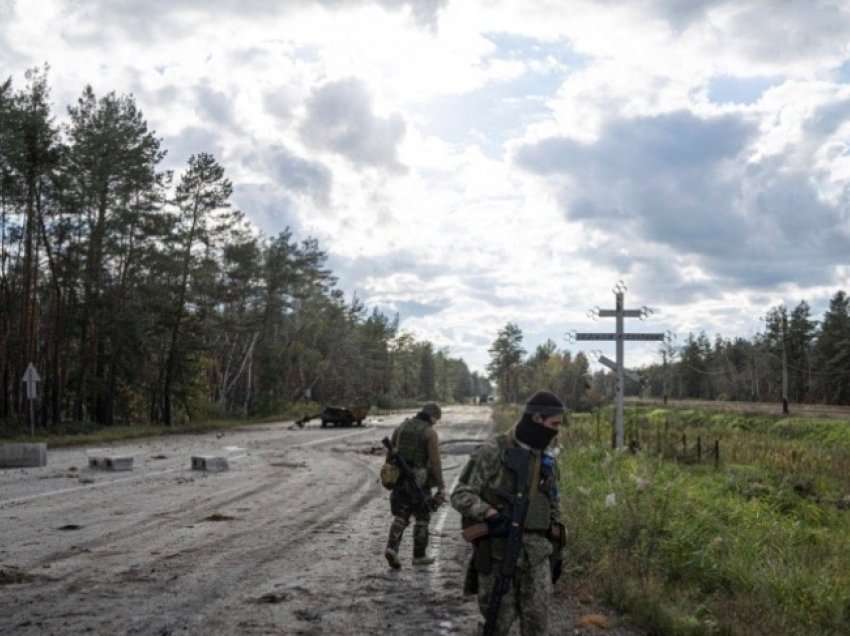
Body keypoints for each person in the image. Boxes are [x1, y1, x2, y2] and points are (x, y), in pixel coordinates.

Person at [451, 390, 566, 636]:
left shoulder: (546, 458)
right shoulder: (494, 451)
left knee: (537, 625)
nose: (556, 431)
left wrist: (555, 548)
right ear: (537, 420)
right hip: (497, 555)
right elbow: (460, 494)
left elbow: (553, 504)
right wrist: (489, 512)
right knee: (496, 624)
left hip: (536, 557)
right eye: (553, 424)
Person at [384, 401, 447, 569]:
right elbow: (435, 462)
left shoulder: (402, 426)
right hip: (419, 480)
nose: (435, 422)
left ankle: (392, 548)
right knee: (423, 516)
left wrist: (389, 477)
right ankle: (419, 556)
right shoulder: (429, 433)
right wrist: (441, 486)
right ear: (432, 417)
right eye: (436, 419)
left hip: (399, 477)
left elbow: (390, 454)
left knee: (402, 514)